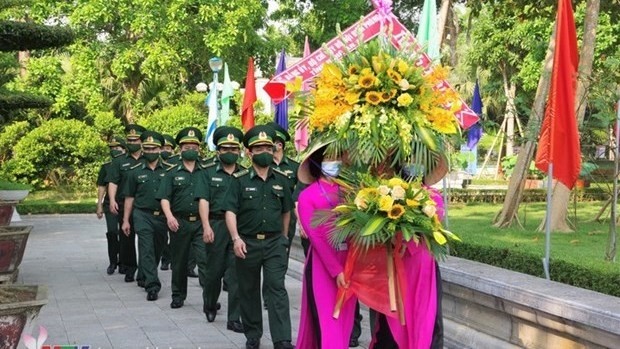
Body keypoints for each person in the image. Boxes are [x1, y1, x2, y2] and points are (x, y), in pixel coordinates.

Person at [224, 125, 294, 349]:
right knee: (249, 288)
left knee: (277, 288)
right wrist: (236, 239)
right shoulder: (239, 179)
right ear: (249, 152)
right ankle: (253, 334)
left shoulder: (281, 179)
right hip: (247, 242)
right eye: (258, 147)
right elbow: (230, 211)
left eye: (268, 147)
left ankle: (282, 338)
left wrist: (284, 239)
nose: (264, 150)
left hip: (274, 242)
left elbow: (286, 212)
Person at [368, 155, 449, 349]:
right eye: (407, 160)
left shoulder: (432, 197)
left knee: (423, 318)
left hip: (422, 268)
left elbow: (431, 226)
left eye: (417, 160)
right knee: (390, 322)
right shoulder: (386, 195)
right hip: (393, 266)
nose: (412, 165)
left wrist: (408, 242)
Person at [295, 141, 358, 349]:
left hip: (349, 263)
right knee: (327, 322)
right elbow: (316, 239)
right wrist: (336, 270)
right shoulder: (307, 196)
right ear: (318, 162)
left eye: (338, 158)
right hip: (323, 266)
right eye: (330, 158)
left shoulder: (350, 193)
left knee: (344, 323)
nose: (335, 163)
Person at [196, 126, 244, 333]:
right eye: (225, 148)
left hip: (238, 228)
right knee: (213, 272)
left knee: (236, 275)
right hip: (215, 225)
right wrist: (206, 226)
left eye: (234, 148)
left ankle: (234, 318)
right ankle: (209, 303)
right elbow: (203, 200)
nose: (230, 152)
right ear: (218, 151)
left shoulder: (245, 173)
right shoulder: (207, 172)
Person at [156, 127, 209, 309]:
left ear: (199, 148)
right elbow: (164, 197)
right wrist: (169, 217)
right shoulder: (172, 171)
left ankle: (209, 298)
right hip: (180, 222)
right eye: (187, 146)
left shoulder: (206, 170)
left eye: (194, 147)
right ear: (180, 149)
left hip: (202, 223)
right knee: (178, 261)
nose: (190, 150)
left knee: (205, 260)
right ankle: (178, 295)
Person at [121, 131, 168, 301]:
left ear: (160, 149)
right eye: (147, 148)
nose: (150, 151)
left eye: (153, 148)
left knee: (157, 248)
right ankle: (152, 286)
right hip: (142, 214)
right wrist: (126, 220)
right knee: (146, 247)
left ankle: (144, 273)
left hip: (162, 217)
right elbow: (129, 197)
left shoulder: (169, 171)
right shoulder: (135, 172)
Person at [106, 124, 146, 282]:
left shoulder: (150, 158)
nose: (132, 142)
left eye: (135, 139)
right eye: (129, 140)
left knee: (146, 239)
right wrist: (112, 200)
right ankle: (130, 268)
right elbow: (112, 182)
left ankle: (145, 269)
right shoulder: (119, 161)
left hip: (144, 205)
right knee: (126, 239)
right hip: (124, 205)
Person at [96, 135, 126, 275]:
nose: (115, 150)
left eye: (118, 148)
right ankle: (113, 261)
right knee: (112, 232)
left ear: (124, 149)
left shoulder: (129, 166)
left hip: (126, 204)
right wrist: (99, 206)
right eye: (112, 148)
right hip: (110, 204)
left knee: (125, 233)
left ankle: (124, 261)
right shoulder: (106, 167)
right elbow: (102, 187)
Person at [159, 134, 176, 272]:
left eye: (168, 148)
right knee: (162, 236)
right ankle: (165, 258)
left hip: (174, 207)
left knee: (174, 236)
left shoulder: (175, 164)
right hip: (158, 207)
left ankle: (170, 257)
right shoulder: (155, 163)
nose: (165, 150)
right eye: (163, 147)